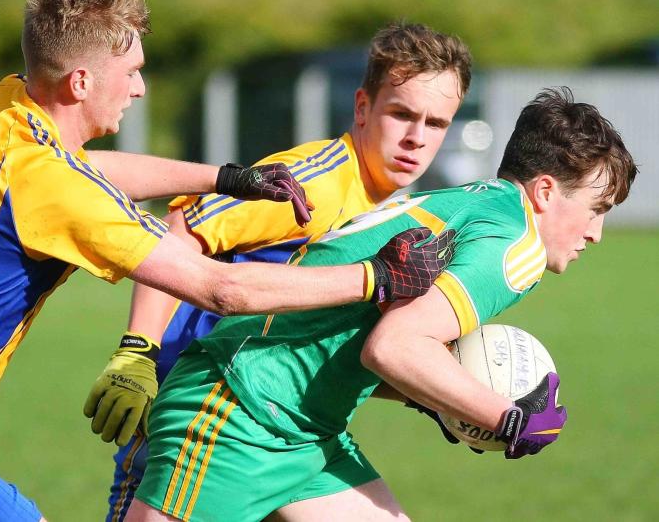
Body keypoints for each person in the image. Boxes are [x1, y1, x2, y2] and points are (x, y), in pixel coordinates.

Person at [0, 0, 455, 522]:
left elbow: (87, 169)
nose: (141, 89)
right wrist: (375, 277)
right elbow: (219, 289)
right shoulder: (54, 188)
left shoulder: (2, 111)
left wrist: (223, 177)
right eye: (130, 73)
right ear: (80, 81)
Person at [124, 87, 638, 522]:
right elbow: (393, 347)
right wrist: (509, 419)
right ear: (545, 191)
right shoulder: (516, 245)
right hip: (240, 411)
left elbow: (364, 340)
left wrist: (436, 398)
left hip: (303, 429)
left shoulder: (474, 202)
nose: (595, 233)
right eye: (596, 209)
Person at [84, 21, 473, 521]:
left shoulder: (397, 212)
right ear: (362, 107)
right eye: (401, 114)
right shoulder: (318, 182)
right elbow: (183, 225)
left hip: (293, 429)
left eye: (436, 123)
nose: (416, 138)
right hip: (208, 415)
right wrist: (138, 351)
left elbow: (309, 343)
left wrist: (429, 393)